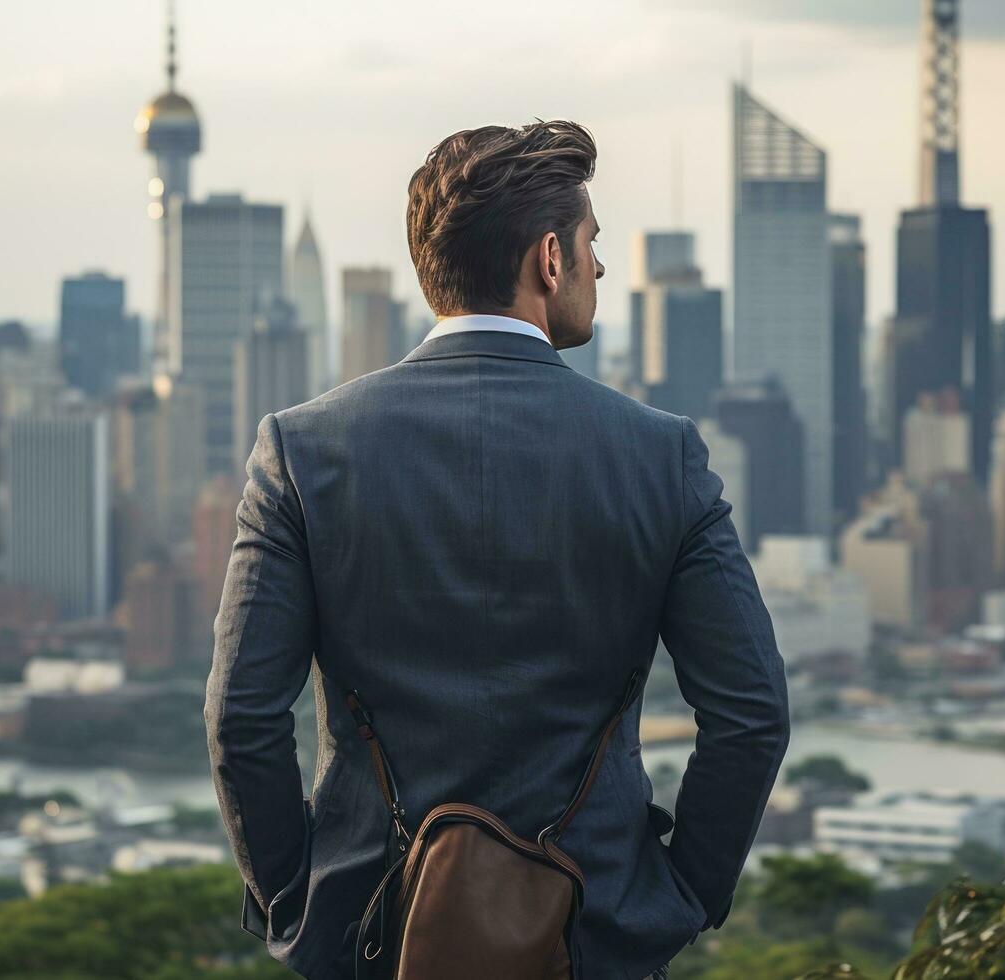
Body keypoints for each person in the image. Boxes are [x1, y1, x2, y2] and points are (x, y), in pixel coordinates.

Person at [205, 120, 789, 979]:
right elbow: (751, 712)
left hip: (372, 938)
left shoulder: (303, 449)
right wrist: (672, 900)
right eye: (592, 245)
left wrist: (299, 904)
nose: (599, 268)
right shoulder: (658, 455)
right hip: (593, 936)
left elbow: (241, 719)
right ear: (548, 259)